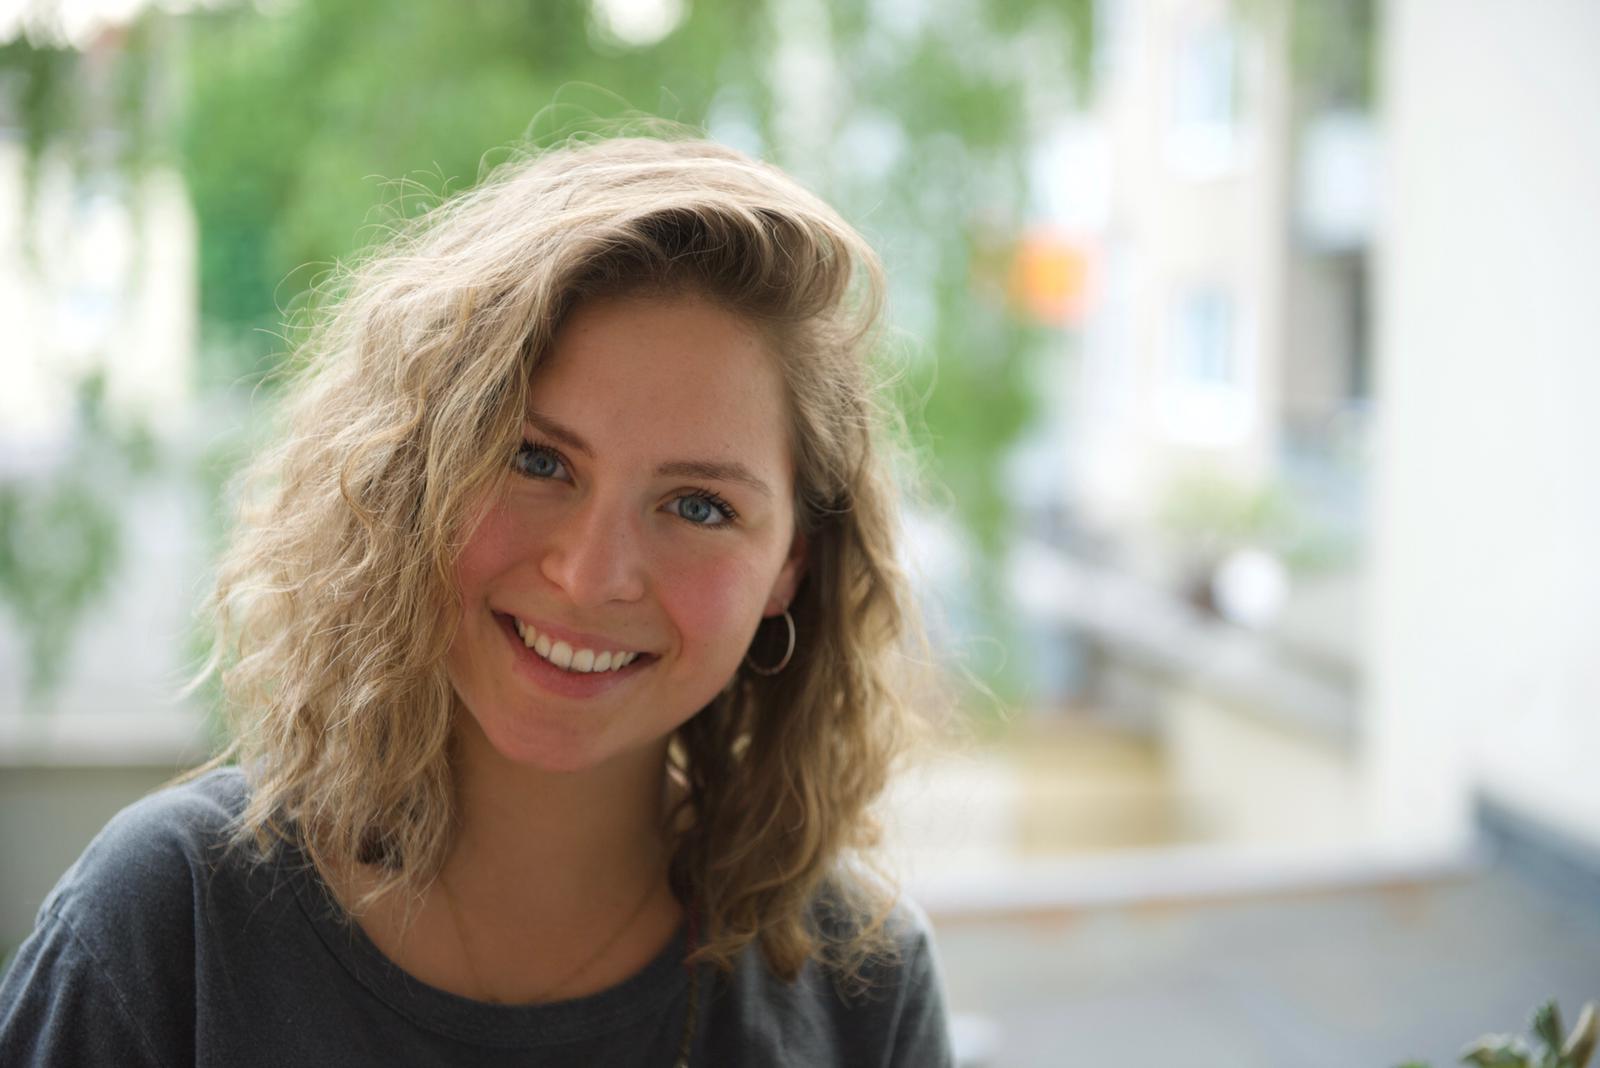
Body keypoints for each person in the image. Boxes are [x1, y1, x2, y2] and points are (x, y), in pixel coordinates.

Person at [0, 133, 954, 1066]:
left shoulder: (861, 996)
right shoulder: (172, 929)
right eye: (537, 460)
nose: (590, 575)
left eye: (699, 505)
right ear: (414, 471)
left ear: (790, 565)